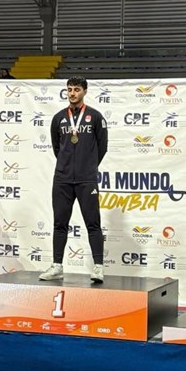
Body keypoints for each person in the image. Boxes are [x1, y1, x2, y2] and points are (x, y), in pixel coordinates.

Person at [40, 76, 108, 283]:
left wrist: (88, 166)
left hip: (87, 179)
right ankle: (57, 266)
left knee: (93, 223)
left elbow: (102, 147)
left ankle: (98, 267)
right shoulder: (58, 118)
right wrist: (67, 165)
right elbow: (57, 147)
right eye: (69, 89)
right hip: (62, 179)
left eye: (76, 89)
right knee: (59, 223)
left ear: (85, 91)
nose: (72, 93)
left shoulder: (96, 117)